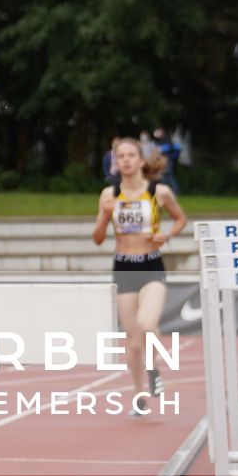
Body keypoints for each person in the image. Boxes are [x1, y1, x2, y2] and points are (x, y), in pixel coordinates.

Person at [92, 137, 188, 416]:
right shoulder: (109, 195)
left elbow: (180, 219)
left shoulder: (159, 192)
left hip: (150, 266)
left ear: (141, 160)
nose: (125, 160)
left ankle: (154, 368)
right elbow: (98, 238)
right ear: (114, 163)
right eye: (120, 156)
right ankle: (139, 395)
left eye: (131, 155)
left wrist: (166, 234)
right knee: (132, 342)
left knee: (148, 324)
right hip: (123, 268)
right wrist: (104, 216)